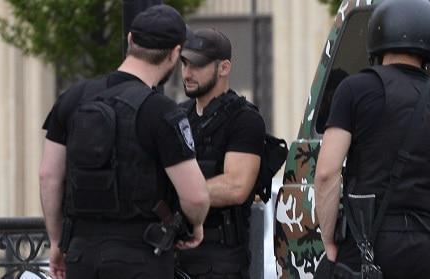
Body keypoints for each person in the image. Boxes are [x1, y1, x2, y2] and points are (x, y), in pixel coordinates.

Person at [39, 5, 210, 279]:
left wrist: (58, 242)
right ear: (175, 53)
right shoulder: (162, 111)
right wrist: (197, 224)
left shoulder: (72, 98)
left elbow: (48, 176)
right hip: (142, 256)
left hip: (82, 255)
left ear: (130, 40)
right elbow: (195, 196)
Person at [314, 0, 430, 278]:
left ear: (378, 36)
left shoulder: (355, 89)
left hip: (367, 247)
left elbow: (327, 174)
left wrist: (329, 241)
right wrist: (419, 182)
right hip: (425, 251)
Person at [176, 28, 266, 278]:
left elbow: (236, 186)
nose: (187, 73)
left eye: (197, 65)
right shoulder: (177, 116)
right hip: (175, 252)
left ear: (224, 67)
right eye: (184, 63)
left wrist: (178, 194)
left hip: (220, 258)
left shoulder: (244, 119)